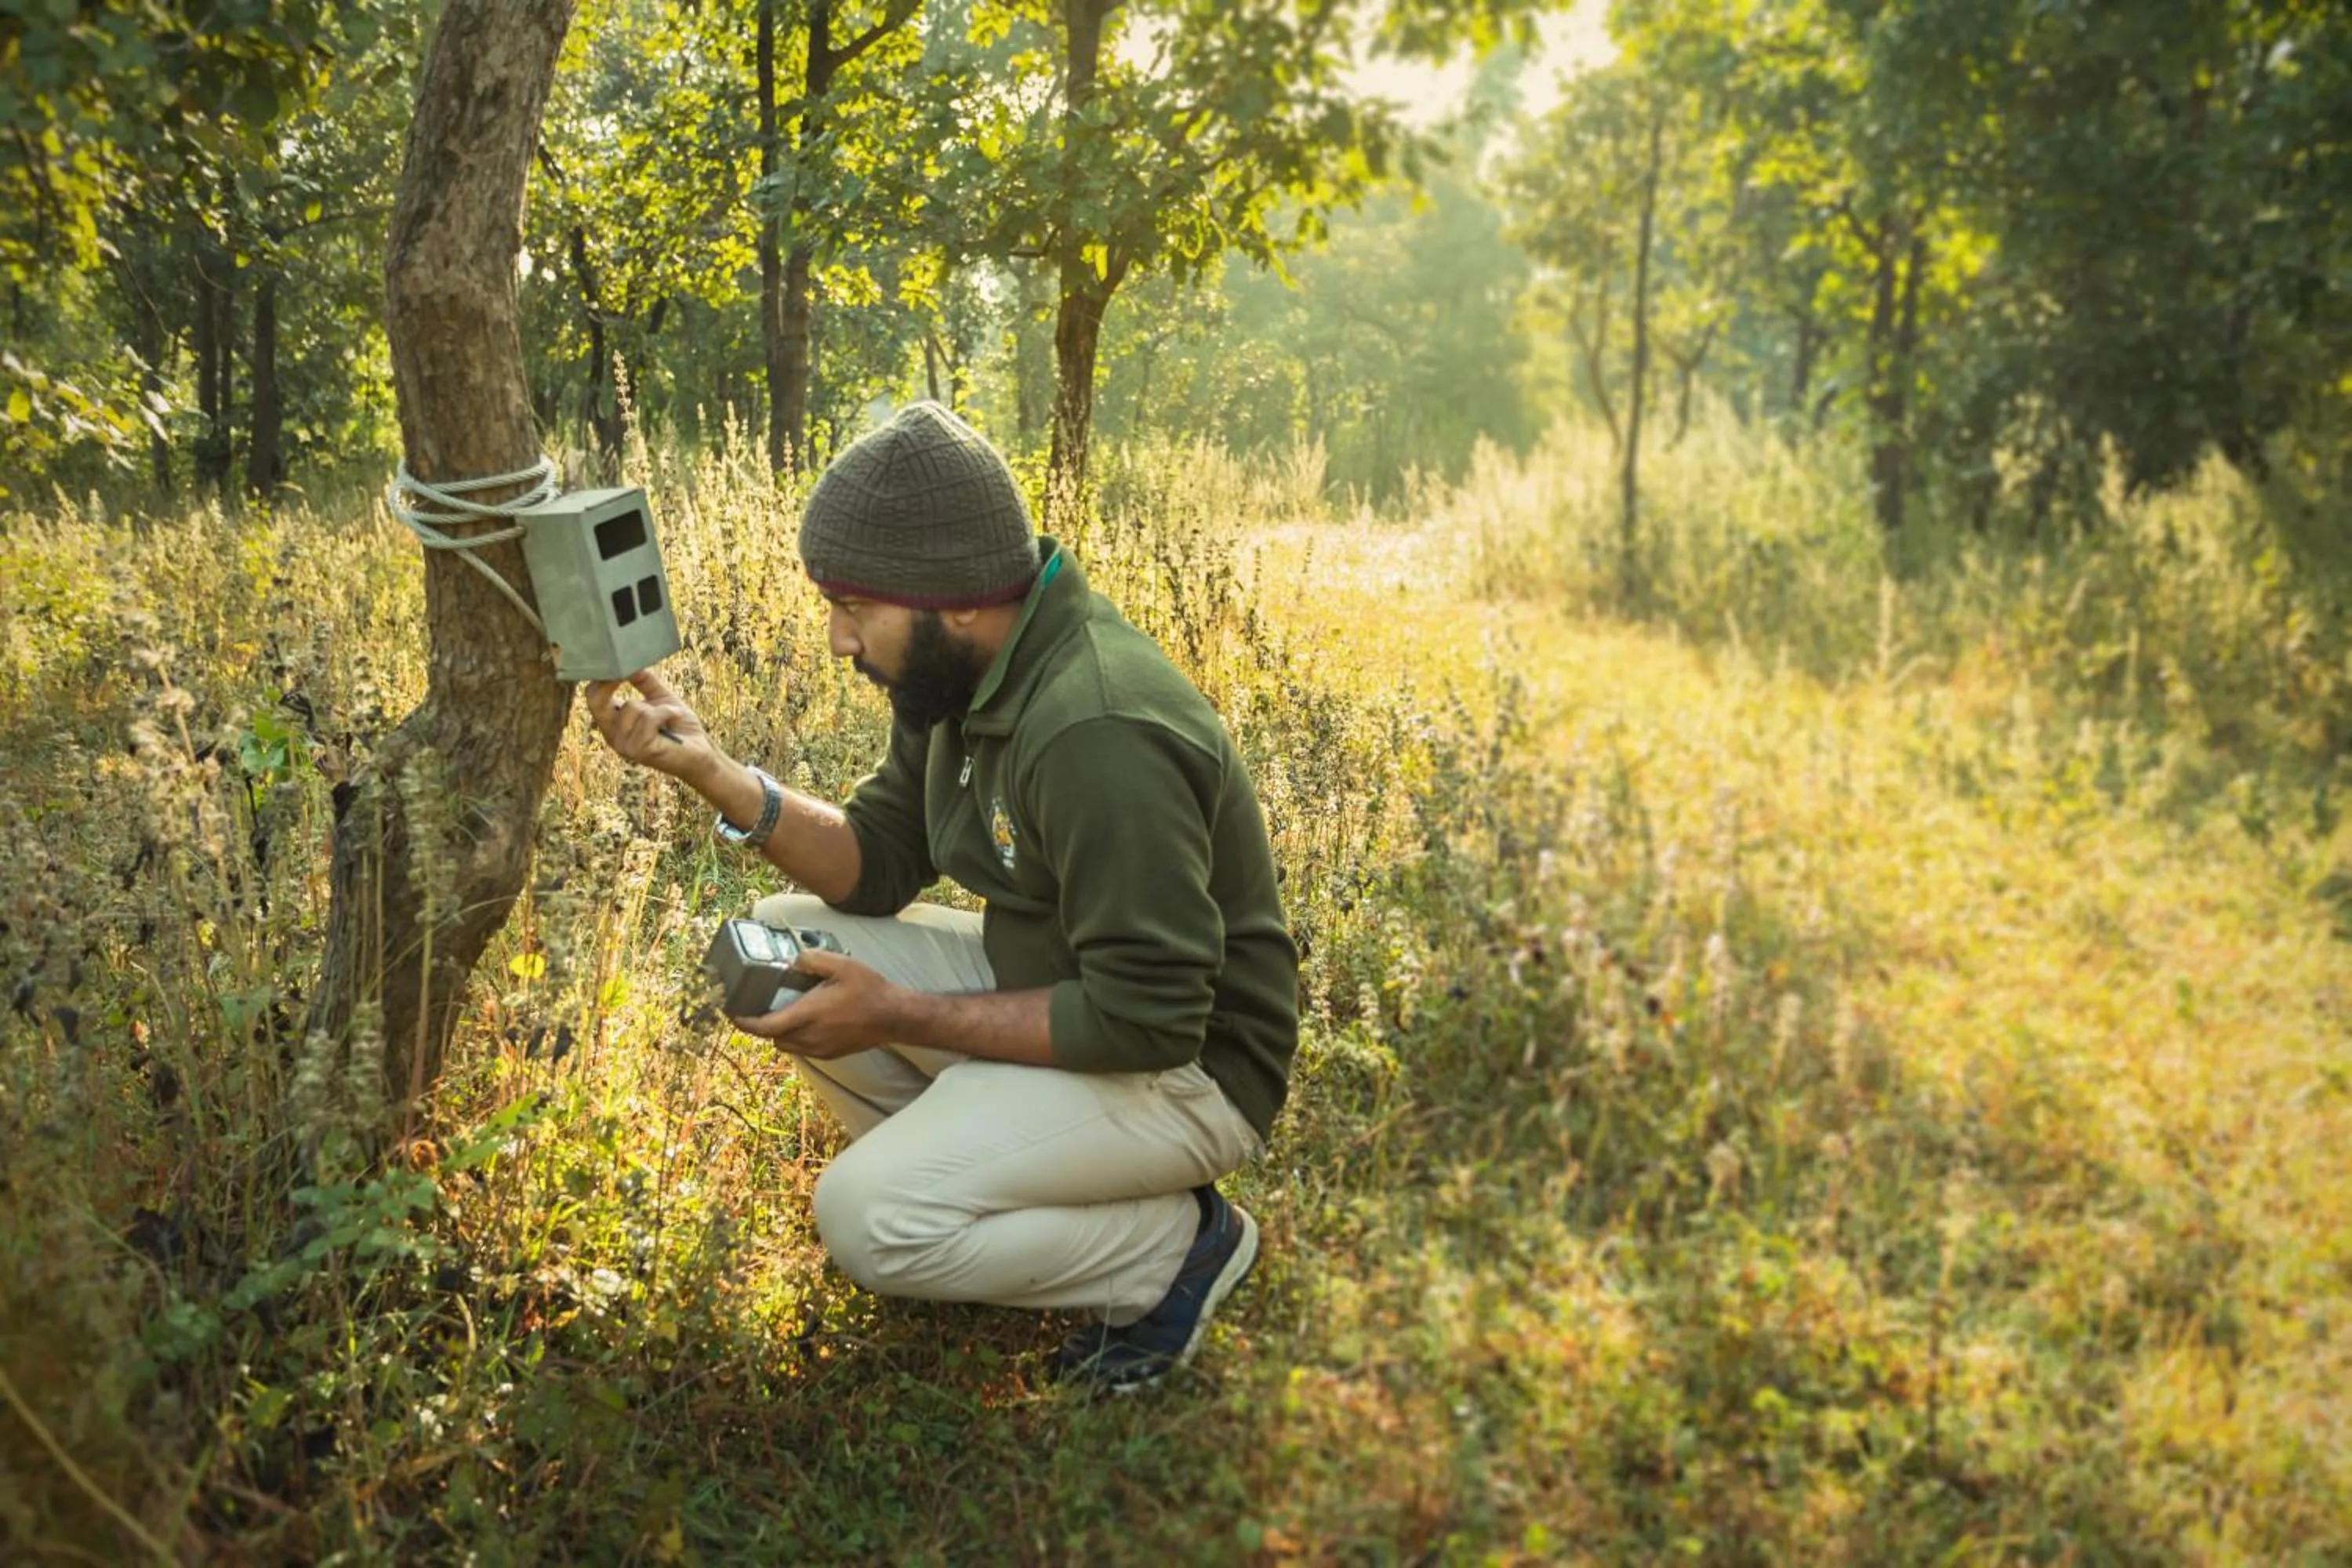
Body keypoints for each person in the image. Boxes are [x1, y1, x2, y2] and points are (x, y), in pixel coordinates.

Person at [585, 401, 1299, 1392]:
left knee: (866, 1220)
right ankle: (992, 1184)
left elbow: (1154, 1012)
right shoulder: (964, 671)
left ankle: (1172, 1251)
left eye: (855, 607)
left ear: (955, 597)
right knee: (783, 951)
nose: (839, 638)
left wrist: (905, 1013)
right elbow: (875, 859)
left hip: (1193, 1070)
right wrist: (710, 769)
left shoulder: (1096, 726)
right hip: (1062, 986)